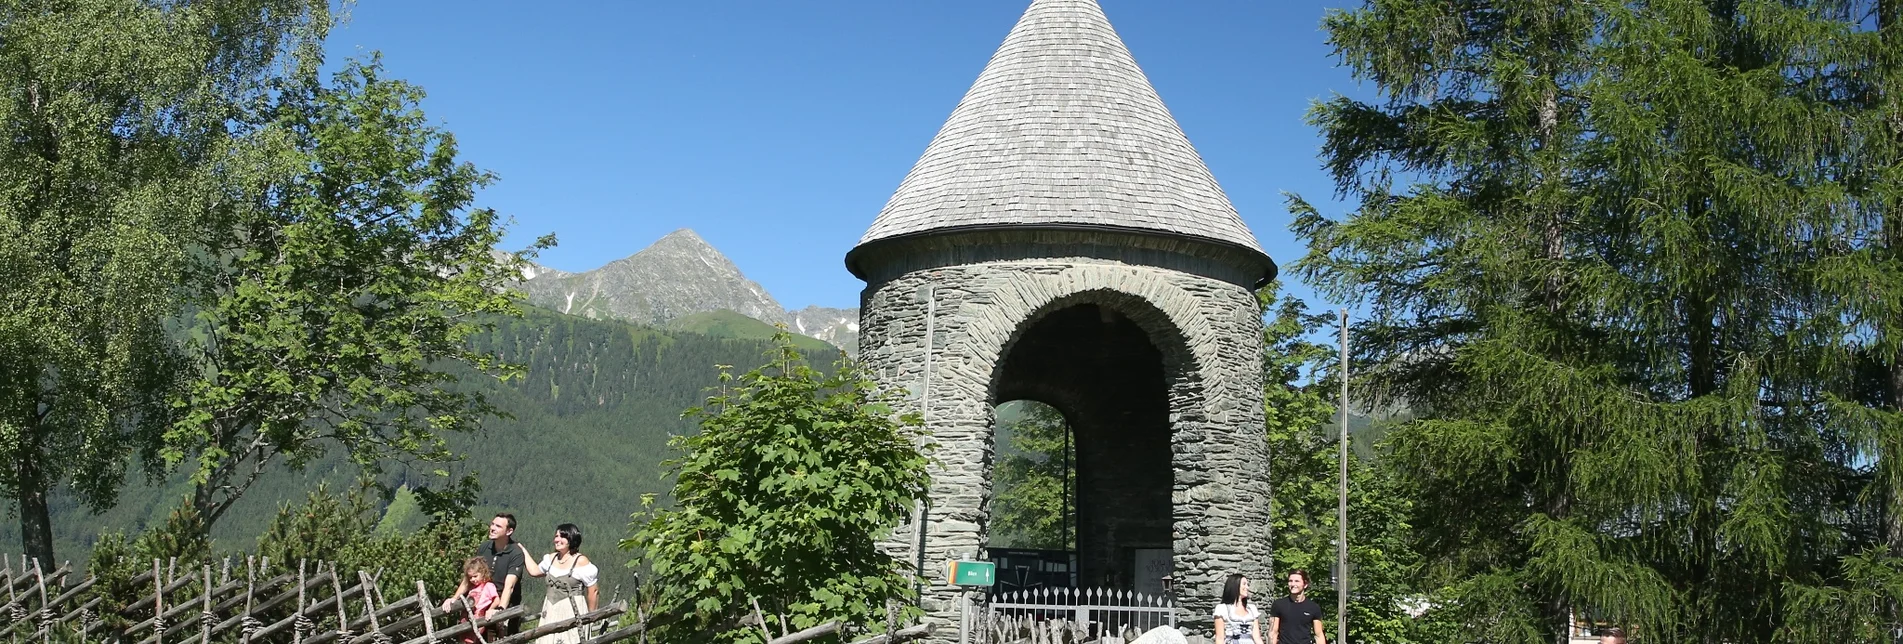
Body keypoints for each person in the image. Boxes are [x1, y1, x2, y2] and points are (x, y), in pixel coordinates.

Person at [520, 523, 601, 644]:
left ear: (571, 538)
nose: (557, 539)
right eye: (556, 536)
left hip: (572, 611)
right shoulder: (551, 558)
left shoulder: (581, 561)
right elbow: (535, 571)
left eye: (562, 536)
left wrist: (591, 616)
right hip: (550, 609)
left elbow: (593, 591)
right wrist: (523, 551)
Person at [453, 513, 528, 635]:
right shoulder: (485, 547)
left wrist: (500, 609)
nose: (492, 528)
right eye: (492, 524)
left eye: (498, 526)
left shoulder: (516, 553)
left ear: (509, 531)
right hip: (480, 603)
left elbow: (509, 586)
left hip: (504, 603)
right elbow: (470, 576)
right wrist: (453, 599)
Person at [440, 557, 499, 644]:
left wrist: (490, 609)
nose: (473, 580)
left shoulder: (488, 586)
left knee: (473, 640)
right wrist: (452, 599)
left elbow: (497, 600)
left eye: (475, 576)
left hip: (478, 619)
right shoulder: (472, 588)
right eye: (470, 577)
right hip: (466, 620)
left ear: (483, 573)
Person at [1267, 570, 1326, 644]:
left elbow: (1319, 635)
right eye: (1290, 581)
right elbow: (1273, 633)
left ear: (1305, 584)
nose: (1293, 584)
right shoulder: (1279, 605)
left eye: (1297, 581)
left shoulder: (1313, 607)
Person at [1212, 573, 1264, 644]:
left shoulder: (1252, 608)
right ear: (1235, 586)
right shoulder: (1222, 609)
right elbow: (1220, 638)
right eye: (1244, 584)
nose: (1247, 587)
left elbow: (1257, 637)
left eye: (1247, 584)